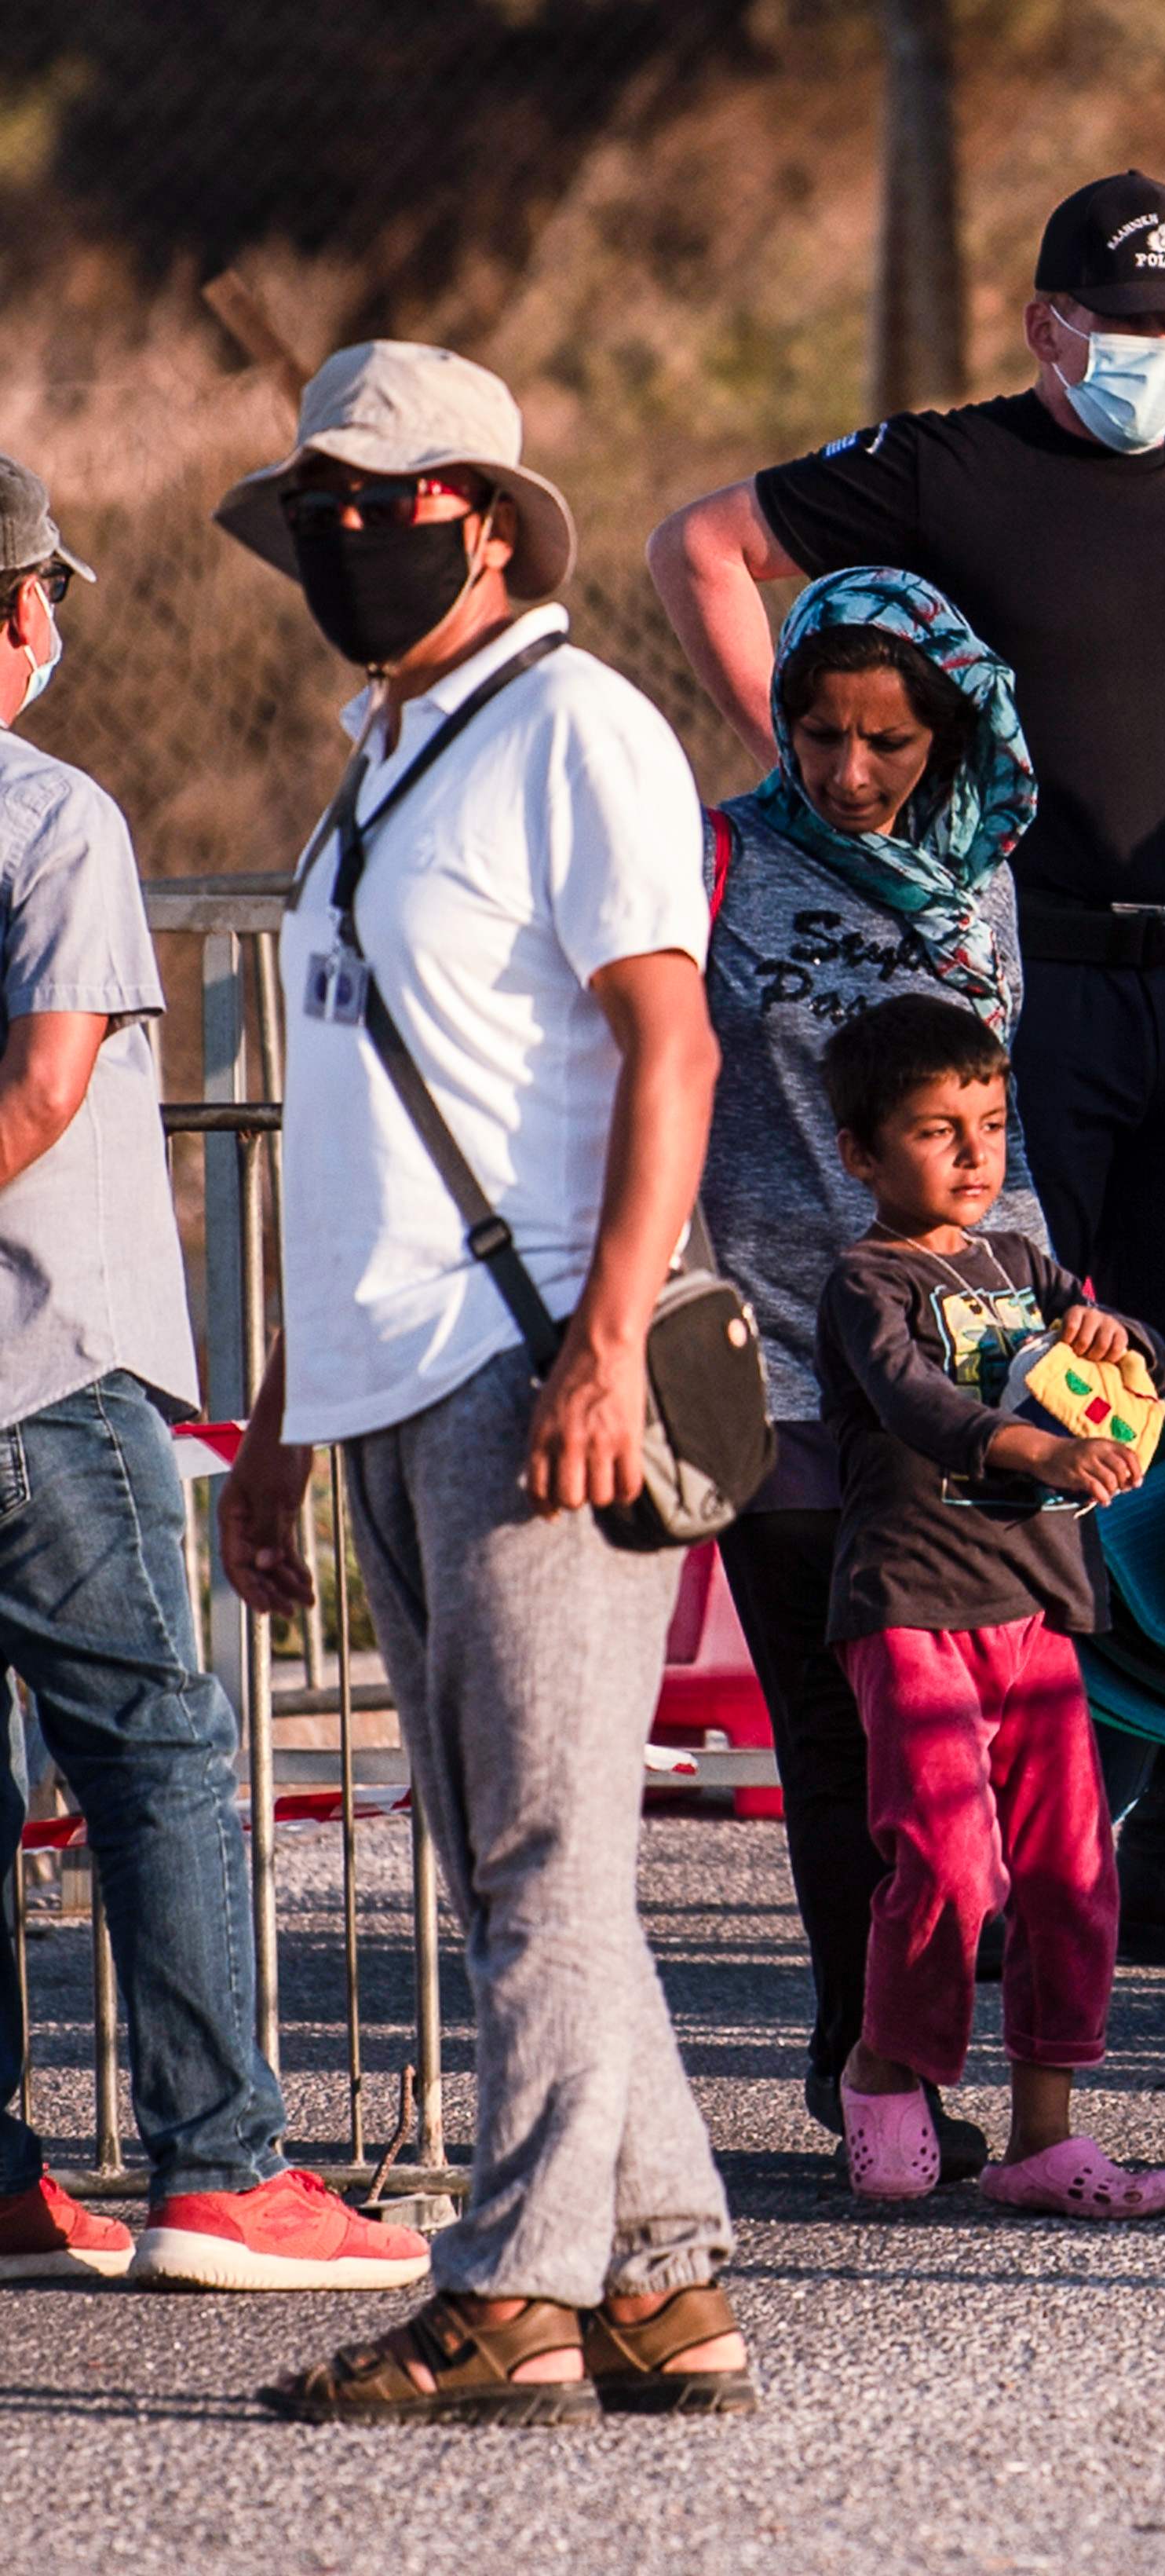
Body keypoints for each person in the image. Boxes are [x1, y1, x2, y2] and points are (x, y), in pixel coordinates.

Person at [649, 169, 1165, 1975]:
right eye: (1121, 329)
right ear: (1047, 325)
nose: (1154, 362)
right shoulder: (946, 468)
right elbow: (700, 546)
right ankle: (994, 1826)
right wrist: (833, 776)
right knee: (1004, 1371)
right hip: (1027, 995)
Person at [210, 342, 750, 2421]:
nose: (344, 541)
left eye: (386, 503)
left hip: (536, 1370)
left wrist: (610, 1339)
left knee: (533, 1854)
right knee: (518, 1860)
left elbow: (668, 1045)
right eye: (318, 513)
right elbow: (357, 1126)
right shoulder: (381, 758)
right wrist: (276, 1422)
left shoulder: (575, 727)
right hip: (394, 1369)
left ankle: (515, 2288)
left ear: (492, 521)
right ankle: (664, 2276)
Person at [0, 461, 429, 2295]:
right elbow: (45, 1081)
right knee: (162, 1751)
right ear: (19, 611)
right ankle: (221, 2160)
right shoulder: (50, 815)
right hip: (40, 1354)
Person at [699, 566, 1044, 2169]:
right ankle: (867, 2075)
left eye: (888, 741)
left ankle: (935, 2034)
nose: (849, 773)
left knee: (987, 1733)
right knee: (833, 1750)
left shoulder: (988, 875)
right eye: (822, 734)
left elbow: (1004, 1119)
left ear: (949, 729)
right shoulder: (723, 858)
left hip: (962, 1377)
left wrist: (1043, 1342)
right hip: (776, 1366)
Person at [814, 996, 1165, 2218]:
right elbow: (915, 1402)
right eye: (937, 1131)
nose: (976, 1156)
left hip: (1036, 1606)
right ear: (863, 1152)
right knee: (951, 1861)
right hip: (912, 1601)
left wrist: (1111, 1329)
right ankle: (883, 2069)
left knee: (1074, 1869)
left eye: (989, 1123)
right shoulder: (865, 1280)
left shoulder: (1021, 1263)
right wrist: (1034, 1451)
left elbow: (1146, 1361)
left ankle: (1044, 2137)